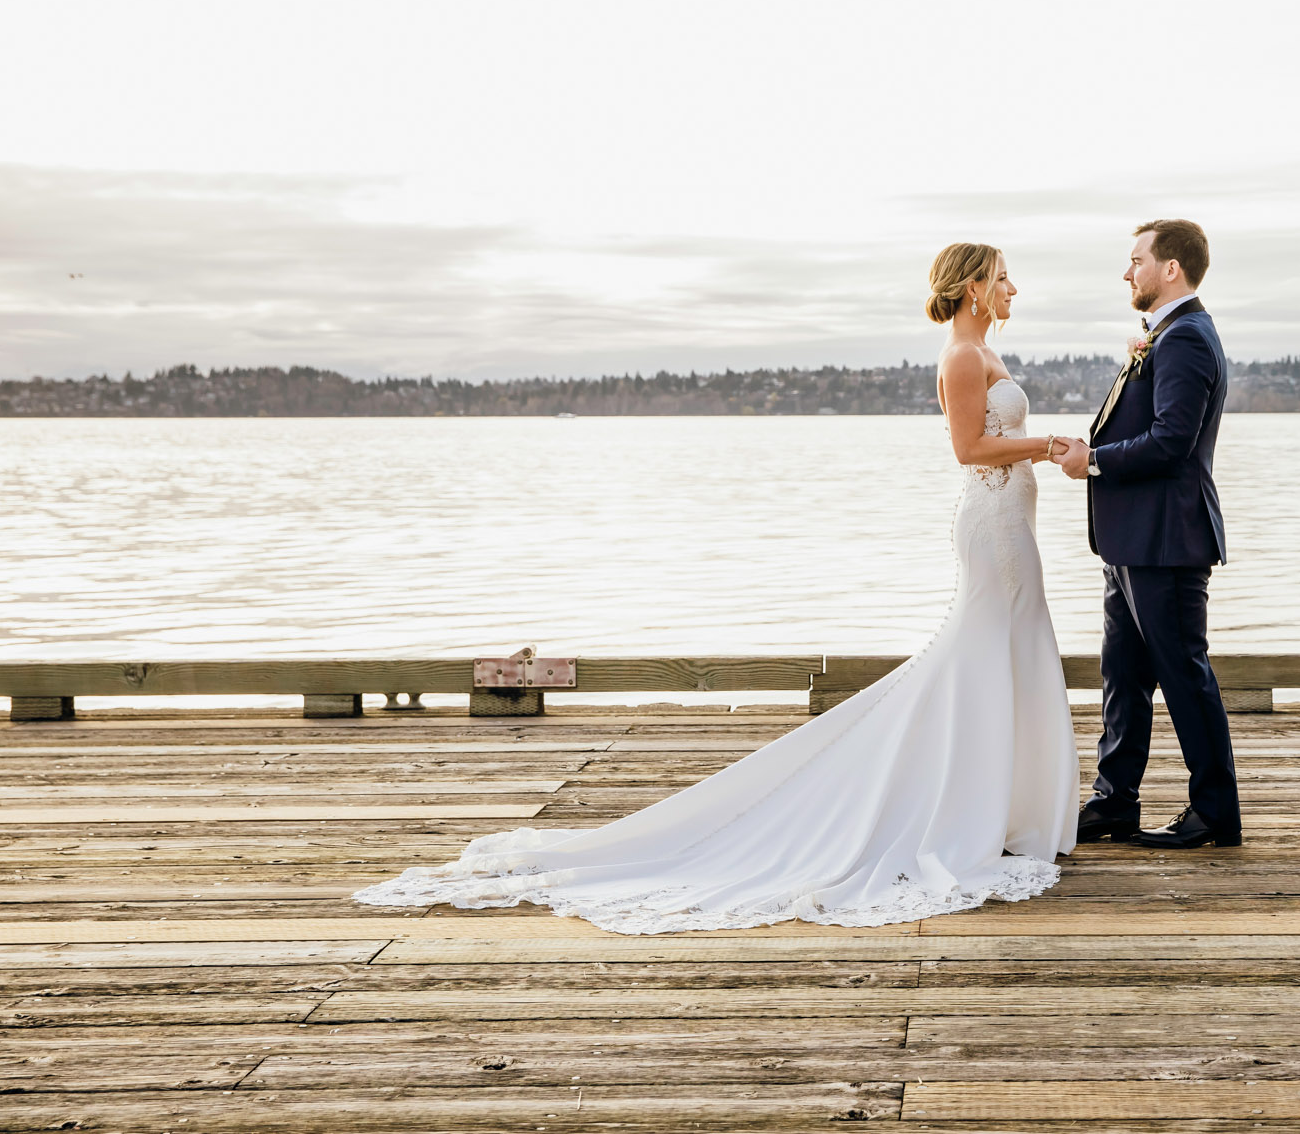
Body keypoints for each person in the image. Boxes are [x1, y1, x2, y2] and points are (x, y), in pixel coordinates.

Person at [353, 243, 1080, 933]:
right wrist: (1045, 446)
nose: (1014, 287)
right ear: (972, 286)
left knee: (1008, 655)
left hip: (1012, 520)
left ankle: (1004, 807)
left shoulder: (990, 350)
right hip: (990, 526)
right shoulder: (960, 355)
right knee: (977, 658)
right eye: (1004, 276)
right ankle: (961, 811)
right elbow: (968, 448)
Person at [1050, 219, 1241, 848]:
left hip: (1166, 540)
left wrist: (1094, 461)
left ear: (1171, 270)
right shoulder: (1167, 335)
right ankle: (1115, 800)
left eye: (1136, 260)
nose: (1127, 272)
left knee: (1185, 675)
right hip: (1132, 540)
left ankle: (1214, 813)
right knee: (1122, 675)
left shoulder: (1184, 338)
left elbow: (1171, 442)